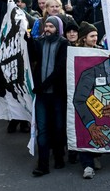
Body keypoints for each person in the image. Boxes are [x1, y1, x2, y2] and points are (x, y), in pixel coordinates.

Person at [29, 15, 69, 177]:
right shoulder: (39, 43)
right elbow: (32, 58)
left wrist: (43, 85)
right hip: (42, 96)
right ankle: (43, 165)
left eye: (51, 27)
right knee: (43, 129)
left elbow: (60, 69)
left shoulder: (64, 44)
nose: (47, 29)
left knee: (58, 127)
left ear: (58, 29)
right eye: (46, 26)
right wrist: (27, 41)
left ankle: (59, 156)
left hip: (57, 94)